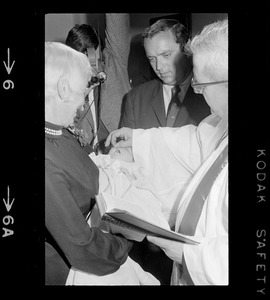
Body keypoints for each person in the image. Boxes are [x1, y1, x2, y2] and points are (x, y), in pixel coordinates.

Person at [105, 18, 229, 285]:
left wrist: (189, 253)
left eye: (201, 86)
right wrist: (138, 140)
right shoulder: (223, 124)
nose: (199, 92)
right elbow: (195, 142)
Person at [45, 41, 158, 285]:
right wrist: (125, 240)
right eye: (82, 94)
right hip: (71, 266)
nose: (83, 104)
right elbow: (81, 247)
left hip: (98, 241)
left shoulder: (59, 131)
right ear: (63, 89)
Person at [119, 18, 211, 129]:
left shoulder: (211, 94)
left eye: (166, 55)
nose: (158, 67)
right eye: (152, 59)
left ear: (187, 49)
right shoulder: (135, 98)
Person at [66, 14, 131, 152]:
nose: (86, 65)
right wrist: (82, 95)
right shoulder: (69, 84)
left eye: (88, 55)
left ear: (97, 49)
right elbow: (68, 125)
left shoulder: (114, 62)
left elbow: (117, 21)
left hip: (120, 150)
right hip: (88, 157)